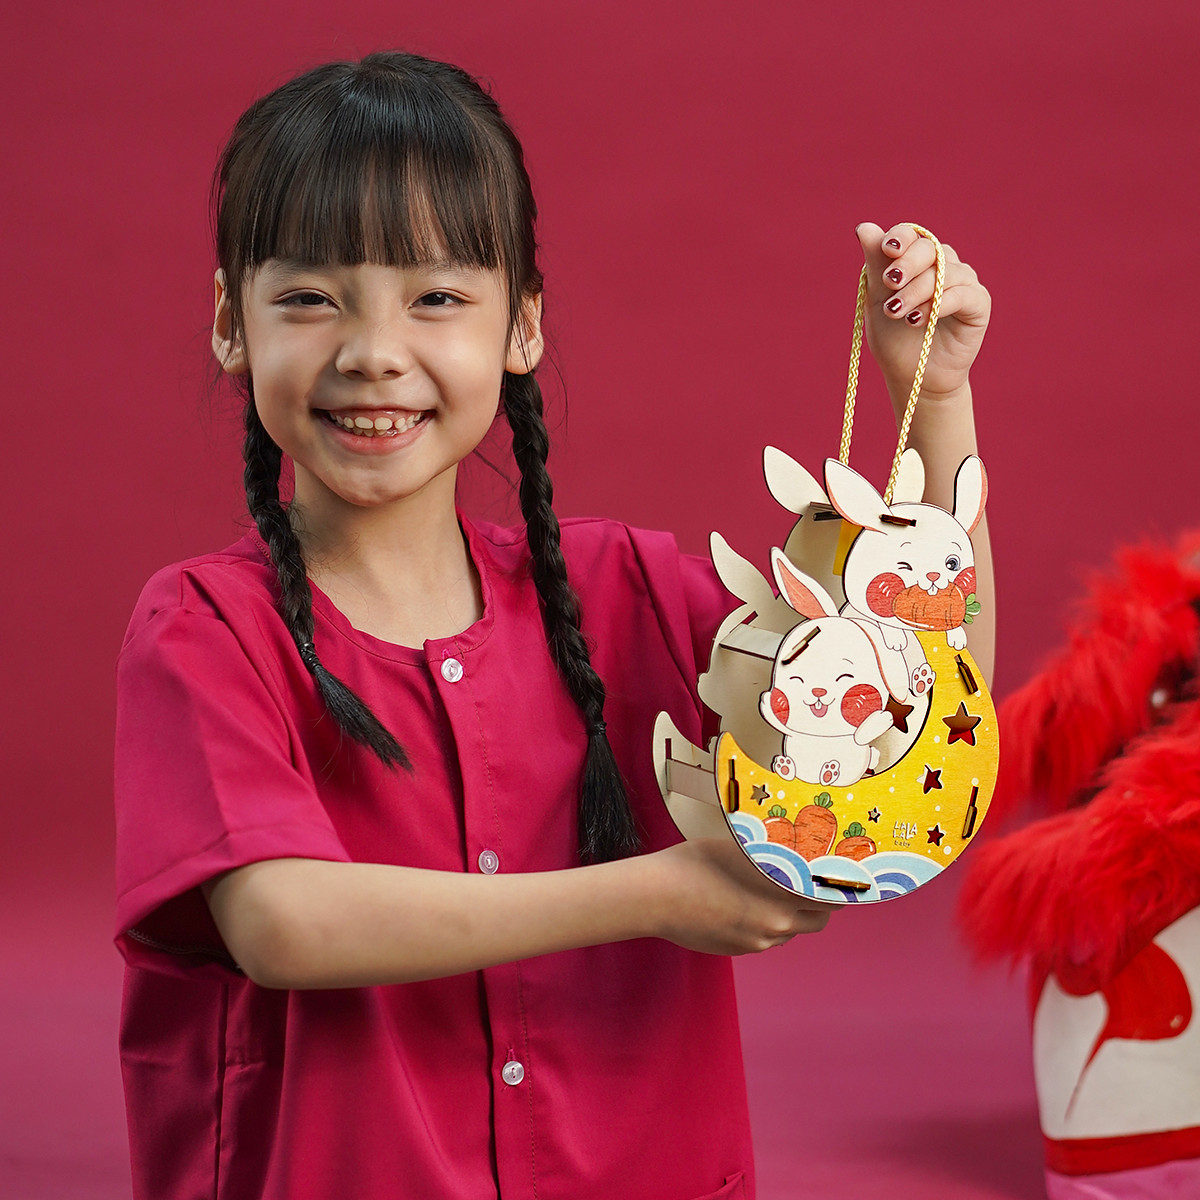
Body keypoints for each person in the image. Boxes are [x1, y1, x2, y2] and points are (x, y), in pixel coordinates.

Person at [113, 50, 994, 1200]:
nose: (372, 350)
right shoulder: (205, 626)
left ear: (522, 324)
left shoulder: (627, 591)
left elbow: (928, 713)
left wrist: (934, 396)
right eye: (310, 298)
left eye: (436, 298)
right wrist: (656, 893)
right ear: (233, 324)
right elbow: (285, 922)